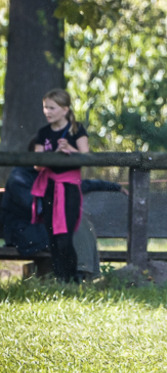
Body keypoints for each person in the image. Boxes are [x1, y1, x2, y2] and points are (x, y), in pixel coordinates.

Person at [30, 88, 90, 283]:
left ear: (65, 110)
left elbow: (87, 157)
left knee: (65, 236)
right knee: (53, 237)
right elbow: (37, 163)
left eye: (52, 108)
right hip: (49, 188)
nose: (47, 112)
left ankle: (71, 277)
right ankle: (59, 278)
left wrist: (69, 149)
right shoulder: (43, 133)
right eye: (45, 108)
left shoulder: (76, 130)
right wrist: (54, 153)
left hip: (69, 189)